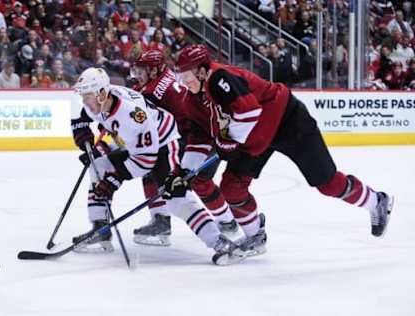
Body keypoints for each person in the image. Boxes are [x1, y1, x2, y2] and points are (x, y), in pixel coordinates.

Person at [164, 45, 394, 255]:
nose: (184, 82)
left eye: (187, 75)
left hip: (287, 120)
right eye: (180, 76)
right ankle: (255, 236)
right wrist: (185, 171)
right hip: (254, 139)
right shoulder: (190, 101)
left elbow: (249, 112)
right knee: (232, 188)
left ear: (202, 71)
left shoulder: (220, 78)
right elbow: (199, 138)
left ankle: (376, 201)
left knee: (328, 183)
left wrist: (229, 142)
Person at [70, 67, 249, 265]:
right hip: (139, 144)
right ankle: (100, 229)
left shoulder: (132, 116)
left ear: (102, 94)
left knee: (176, 198)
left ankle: (219, 242)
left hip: (163, 145)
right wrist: (81, 131)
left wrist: (114, 180)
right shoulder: (101, 98)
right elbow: (83, 115)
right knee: (99, 165)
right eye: (84, 96)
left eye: (88, 96)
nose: (85, 101)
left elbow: (145, 160)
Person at [129, 49, 239, 246]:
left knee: (188, 180)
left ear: (154, 71)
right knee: (193, 179)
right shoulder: (165, 76)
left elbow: (138, 125)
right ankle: (226, 221)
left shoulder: (150, 92)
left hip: (197, 137)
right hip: (197, 134)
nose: (137, 75)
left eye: (141, 70)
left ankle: (167, 221)